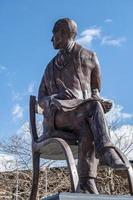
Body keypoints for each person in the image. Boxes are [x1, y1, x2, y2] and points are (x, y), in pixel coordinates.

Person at [38, 18, 125, 194]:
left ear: (65, 34)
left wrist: (100, 101)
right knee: (92, 110)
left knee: (88, 125)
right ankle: (106, 150)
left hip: (82, 114)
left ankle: (86, 183)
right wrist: (54, 98)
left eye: (54, 34)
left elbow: (95, 90)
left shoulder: (89, 56)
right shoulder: (49, 67)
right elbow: (41, 98)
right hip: (58, 116)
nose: (51, 39)